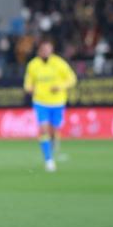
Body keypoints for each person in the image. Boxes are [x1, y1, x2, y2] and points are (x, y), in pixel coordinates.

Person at [24, 39, 77, 172]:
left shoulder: (59, 63)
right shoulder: (33, 65)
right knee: (43, 129)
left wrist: (60, 86)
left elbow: (72, 79)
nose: (46, 52)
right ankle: (48, 160)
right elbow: (27, 83)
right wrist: (30, 88)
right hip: (40, 102)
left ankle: (52, 145)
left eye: (49, 49)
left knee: (54, 131)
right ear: (39, 51)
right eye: (44, 49)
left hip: (58, 102)